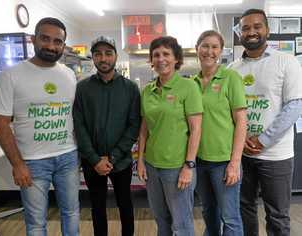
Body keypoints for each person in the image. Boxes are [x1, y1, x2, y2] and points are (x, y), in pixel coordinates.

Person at [0, 17, 80, 236]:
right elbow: (0, 122)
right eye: (45, 39)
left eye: (57, 41)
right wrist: (18, 164)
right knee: (36, 222)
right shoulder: (11, 75)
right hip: (31, 161)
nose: (51, 45)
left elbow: (72, 115)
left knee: (72, 213)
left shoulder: (69, 75)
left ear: (64, 45)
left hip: (68, 156)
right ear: (33, 39)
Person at [229, 8, 302, 236]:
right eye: (245, 28)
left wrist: (263, 140)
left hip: (275, 156)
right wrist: (240, 143)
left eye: (257, 26)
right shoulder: (232, 69)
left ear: (267, 31)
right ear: (240, 33)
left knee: (277, 215)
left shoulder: (286, 62)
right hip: (242, 156)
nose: (251, 32)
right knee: (244, 209)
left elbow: (294, 106)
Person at [73, 36, 140, 236]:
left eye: (108, 53)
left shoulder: (130, 88)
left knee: (125, 204)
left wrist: (113, 157)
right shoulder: (82, 88)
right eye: (98, 54)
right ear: (92, 58)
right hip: (92, 162)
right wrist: (94, 159)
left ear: (116, 56)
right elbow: (79, 125)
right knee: (97, 207)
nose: (103, 58)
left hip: (120, 161)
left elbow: (134, 125)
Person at [137, 36, 203, 236]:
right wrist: (140, 161)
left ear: (176, 59)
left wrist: (188, 166)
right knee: (161, 221)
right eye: (156, 55)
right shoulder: (147, 91)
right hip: (152, 166)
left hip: (176, 168)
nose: (160, 59)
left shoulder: (189, 87)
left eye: (166, 54)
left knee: (181, 225)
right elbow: (144, 129)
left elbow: (196, 129)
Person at [193, 30, 247, 236]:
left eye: (214, 47)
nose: (209, 51)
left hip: (224, 161)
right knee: (209, 212)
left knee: (230, 217)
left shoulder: (230, 78)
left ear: (221, 51)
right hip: (198, 161)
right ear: (197, 48)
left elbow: (241, 121)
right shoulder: (191, 83)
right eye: (205, 46)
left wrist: (235, 163)